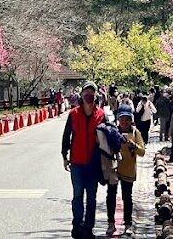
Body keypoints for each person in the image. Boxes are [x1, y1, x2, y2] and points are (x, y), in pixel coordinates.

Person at [62, 81, 104, 239]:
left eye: (91, 93)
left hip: (94, 163)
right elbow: (67, 136)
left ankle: (88, 227)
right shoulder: (73, 114)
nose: (89, 96)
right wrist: (64, 156)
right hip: (77, 162)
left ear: (95, 96)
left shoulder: (100, 114)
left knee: (91, 197)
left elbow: (107, 136)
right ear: (81, 95)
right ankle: (77, 226)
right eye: (86, 93)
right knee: (78, 194)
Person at [105, 102, 145, 236]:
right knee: (111, 196)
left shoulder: (135, 132)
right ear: (118, 119)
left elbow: (142, 151)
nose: (124, 121)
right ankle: (111, 223)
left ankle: (128, 224)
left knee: (127, 197)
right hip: (114, 169)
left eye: (127, 119)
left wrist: (132, 145)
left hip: (128, 170)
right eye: (122, 118)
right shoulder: (112, 131)